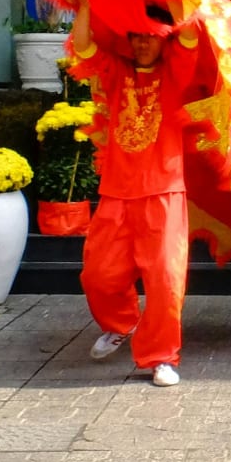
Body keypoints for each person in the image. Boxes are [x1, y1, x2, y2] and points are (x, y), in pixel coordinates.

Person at [80, 29, 196, 387]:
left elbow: (190, 38)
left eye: (151, 37)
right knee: (97, 275)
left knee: (165, 280)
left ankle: (161, 357)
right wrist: (83, 1)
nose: (143, 44)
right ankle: (122, 323)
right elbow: (84, 44)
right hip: (116, 191)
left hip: (163, 191)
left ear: (164, 39)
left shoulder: (176, 71)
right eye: (137, 37)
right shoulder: (117, 71)